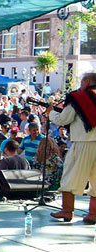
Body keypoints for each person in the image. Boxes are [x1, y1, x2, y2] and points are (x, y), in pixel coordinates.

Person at [48, 73, 96, 224]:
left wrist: (51, 114)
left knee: (69, 175)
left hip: (83, 142)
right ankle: (93, 214)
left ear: (87, 82)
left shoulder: (79, 98)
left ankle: (67, 210)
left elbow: (64, 119)